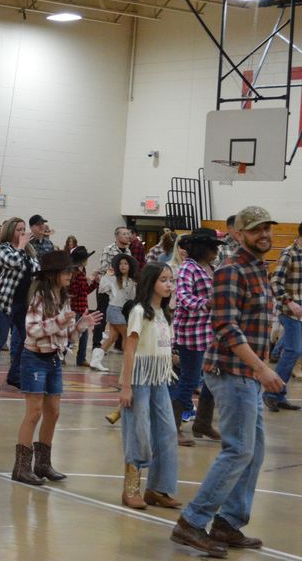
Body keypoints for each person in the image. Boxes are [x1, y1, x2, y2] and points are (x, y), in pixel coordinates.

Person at [172, 206, 285, 557]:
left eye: (267, 227)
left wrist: (261, 367)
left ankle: (228, 523)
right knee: (238, 450)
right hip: (230, 372)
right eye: (256, 230)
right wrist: (263, 368)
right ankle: (192, 522)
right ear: (238, 234)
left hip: (248, 374)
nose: (264, 234)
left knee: (254, 452)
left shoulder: (258, 269)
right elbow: (226, 327)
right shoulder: (231, 271)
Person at [12, 250, 101, 484]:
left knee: (54, 411)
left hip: (54, 359)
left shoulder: (62, 296)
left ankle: (42, 464)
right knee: (34, 412)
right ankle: (21, 467)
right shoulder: (40, 296)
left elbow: (64, 335)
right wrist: (60, 321)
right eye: (66, 270)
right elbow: (32, 329)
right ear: (53, 274)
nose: (71, 274)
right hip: (34, 358)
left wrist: (80, 326)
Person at [117, 261, 181, 510]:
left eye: (171, 280)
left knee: (167, 431)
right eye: (163, 280)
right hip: (139, 379)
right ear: (150, 282)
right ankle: (130, 489)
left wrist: (171, 356)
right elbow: (129, 348)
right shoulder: (139, 311)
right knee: (139, 431)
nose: (169, 285)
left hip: (159, 379)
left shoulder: (165, 313)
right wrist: (126, 386)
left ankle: (157, 489)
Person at [169, 228, 226, 446]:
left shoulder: (211, 268)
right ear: (203, 247)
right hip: (191, 332)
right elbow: (183, 297)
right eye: (213, 247)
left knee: (212, 378)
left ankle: (202, 422)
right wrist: (205, 303)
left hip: (210, 332)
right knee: (190, 380)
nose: (216, 251)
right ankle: (173, 426)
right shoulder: (188, 268)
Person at [0, 217, 39, 392]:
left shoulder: (29, 250)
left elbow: (37, 269)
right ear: (10, 231)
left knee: (26, 339)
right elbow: (13, 262)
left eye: (24, 229)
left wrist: (25, 249)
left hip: (23, 303)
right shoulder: (2, 248)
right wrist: (21, 246)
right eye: (18, 229)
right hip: (3, 301)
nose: (22, 233)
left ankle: (14, 376)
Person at [267, 220, 302, 412]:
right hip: (290, 309)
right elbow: (275, 281)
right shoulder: (289, 253)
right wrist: (289, 302)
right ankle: (272, 393)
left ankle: (279, 395)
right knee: (294, 350)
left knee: (293, 350)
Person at [91, 254, 138, 372]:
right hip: (113, 309)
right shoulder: (113, 278)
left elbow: (133, 298)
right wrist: (107, 275)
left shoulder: (132, 281)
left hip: (124, 311)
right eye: (121, 264)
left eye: (125, 264)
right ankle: (129, 363)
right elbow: (102, 289)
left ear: (130, 266)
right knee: (127, 335)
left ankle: (95, 361)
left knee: (112, 337)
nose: (123, 266)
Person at [94, 226, 133, 353]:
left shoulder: (128, 251)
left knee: (118, 323)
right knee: (101, 317)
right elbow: (104, 268)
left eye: (128, 234)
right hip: (107, 289)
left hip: (120, 291)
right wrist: (118, 274)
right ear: (117, 236)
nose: (128, 236)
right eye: (124, 234)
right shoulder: (108, 249)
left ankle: (115, 346)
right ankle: (96, 346)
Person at [68, 246, 100, 367]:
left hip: (82, 308)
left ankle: (81, 359)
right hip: (75, 308)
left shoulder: (82, 271)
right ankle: (61, 355)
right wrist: (89, 282)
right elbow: (76, 291)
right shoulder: (75, 273)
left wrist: (94, 282)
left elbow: (84, 291)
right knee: (71, 335)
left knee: (84, 335)